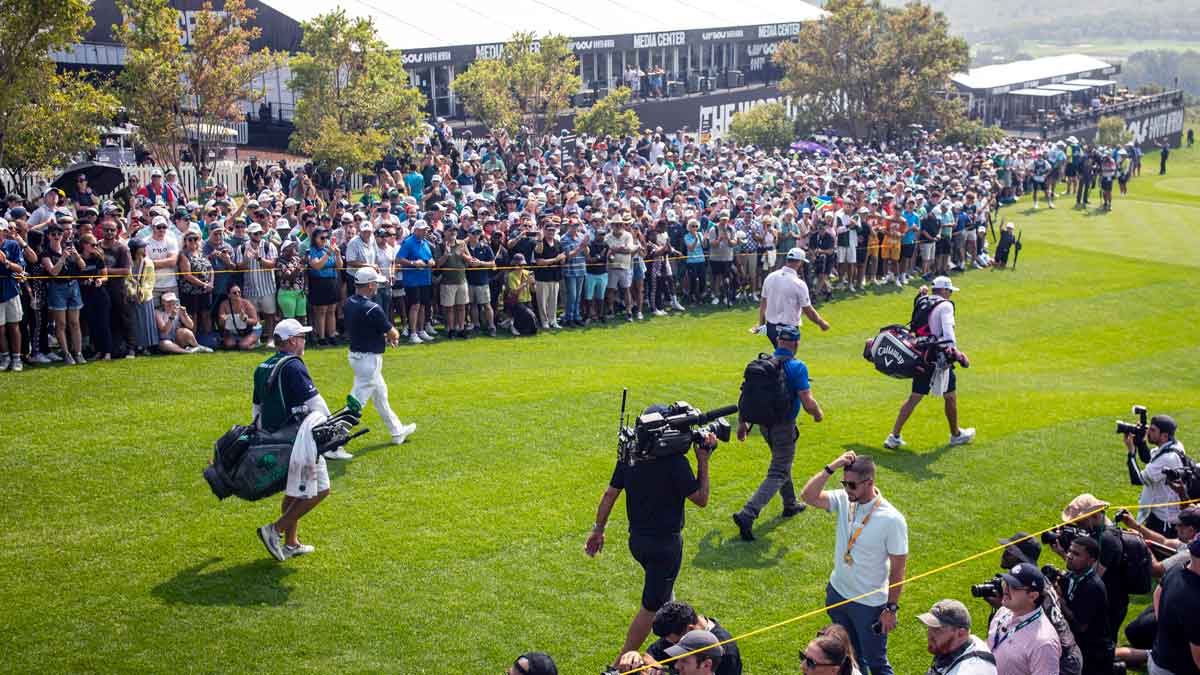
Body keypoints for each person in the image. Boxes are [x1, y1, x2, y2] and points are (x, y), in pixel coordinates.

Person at [585, 408, 717, 661]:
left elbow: (610, 494)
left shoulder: (631, 456)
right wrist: (703, 460)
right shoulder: (675, 462)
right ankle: (621, 663)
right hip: (665, 547)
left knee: (665, 596)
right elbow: (701, 498)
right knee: (651, 606)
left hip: (638, 542)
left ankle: (676, 642)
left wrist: (598, 530)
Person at [801, 452, 908, 675]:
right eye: (844, 483)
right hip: (838, 594)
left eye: (852, 485)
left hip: (869, 605)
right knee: (851, 658)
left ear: (869, 483)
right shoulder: (844, 500)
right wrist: (832, 466)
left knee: (876, 662)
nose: (847, 489)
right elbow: (808, 496)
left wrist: (891, 608)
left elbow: (899, 569)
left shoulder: (892, 520)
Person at [732, 324, 824, 541]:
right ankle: (748, 513)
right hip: (783, 426)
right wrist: (818, 414)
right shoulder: (797, 366)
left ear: (779, 342)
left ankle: (790, 504)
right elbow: (807, 401)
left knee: (782, 464)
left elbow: (747, 395)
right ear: (795, 343)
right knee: (778, 472)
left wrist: (742, 423)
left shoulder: (763, 364)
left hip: (764, 425)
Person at [254, 319, 330, 561]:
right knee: (319, 489)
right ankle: (274, 530)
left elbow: (256, 407)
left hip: (275, 439)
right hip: (300, 440)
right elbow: (315, 403)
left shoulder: (263, 365)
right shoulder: (293, 365)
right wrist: (331, 430)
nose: (304, 341)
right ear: (291, 341)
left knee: (294, 491)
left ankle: (291, 542)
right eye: (302, 337)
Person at [884, 277, 975, 449]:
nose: (950, 295)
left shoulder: (922, 300)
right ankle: (955, 435)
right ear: (944, 291)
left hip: (921, 355)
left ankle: (893, 436)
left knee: (915, 397)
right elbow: (948, 335)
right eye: (949, 291)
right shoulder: (946, 306)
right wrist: (957, 354)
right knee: (950, 396)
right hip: (938, 359)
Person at [990, 532, 1084, 675]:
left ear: (1022, 558)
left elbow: (1037, 627)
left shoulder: (1038, 592)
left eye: (1010, 552)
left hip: (1062, 658)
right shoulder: (1036, 583)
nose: (1004, 554)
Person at [344, 267, 416, 452]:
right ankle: (335, 441)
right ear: (370, 285)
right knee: (356, 402)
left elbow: (366, 328)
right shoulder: (372, 308)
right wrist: (394, 336)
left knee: (381, 397)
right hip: (368, 360)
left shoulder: (350, 302)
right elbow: (392, 331)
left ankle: (397, 431)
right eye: (375, 283)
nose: (377, 286)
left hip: (357, 356)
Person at [1054, 494, 1130, 646]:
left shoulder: (1108, 539)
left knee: (1101, 643)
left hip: (1110, 603)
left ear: (1094, 515)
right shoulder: (1098, 532)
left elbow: (1092, 574)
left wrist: (1063, 554)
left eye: (1080, 522)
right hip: (1098, 597)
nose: (1078, 526)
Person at [987, 563, 1062, 675]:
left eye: (1014, 587)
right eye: (1005, 582)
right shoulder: (1003, 612)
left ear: (1033, 596)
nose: (1005, 589)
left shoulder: (1044, 643)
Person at [1056, 536, 1113, 675]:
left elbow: (1080, 626)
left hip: (1092, 654)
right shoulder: (1071, 576)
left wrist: (1059, 601)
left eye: (1076, 554)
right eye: (1069, 551)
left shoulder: (1093, 587)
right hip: (1077, 646)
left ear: (1091, 561)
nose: (1069, 556)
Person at [753, 248, 830, 347]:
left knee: (780, 357)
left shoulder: (770, 277)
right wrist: (821, 323)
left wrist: (762, 324)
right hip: (788, 331)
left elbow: (763, 303)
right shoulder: (798, 283)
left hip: (771, 328)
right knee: (787, 359)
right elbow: (808, 311)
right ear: (799, 263)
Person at [641, 601, 742, 675]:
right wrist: (654, 666)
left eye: (684, 660)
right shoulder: (676, 632)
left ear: (690, 629)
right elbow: (649, 655)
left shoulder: (726, 652)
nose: (676, 665)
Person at [1125, 414, 1186, 536]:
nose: (1148, 433)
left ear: (1164, 436)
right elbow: (1149, 459)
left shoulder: (1168, 458)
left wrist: (1131, 453)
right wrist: (1141, 443)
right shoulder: (1174, 446)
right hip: (1160, 514)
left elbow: (1137, 479)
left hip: (1163, 522)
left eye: (1153, 430)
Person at [1149, 538, 1200, 675]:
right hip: (1175, 670)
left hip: (1160, 657)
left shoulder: (1176, 570)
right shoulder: (1195, 601)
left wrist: (1166, 628)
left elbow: (1157, 594)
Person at [40, 222, 86, 364]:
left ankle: (78, 353)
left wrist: (76, 255)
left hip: (73, 286)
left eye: (59, 234)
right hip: (57, 287)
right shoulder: (45, 253)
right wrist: (63, 258)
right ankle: (66, 354)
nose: (57, 237)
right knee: (61, 324)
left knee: (75, 322)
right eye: (53, 234)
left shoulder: (69, 248)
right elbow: (53, 272)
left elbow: (82, 266)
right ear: (48, 236)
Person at [919, 599, 996, 675]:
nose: (930, 634)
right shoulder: (961, 643)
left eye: (937, 630)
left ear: (961, 633)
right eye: (930, 627)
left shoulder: (970, 670)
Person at [397, 221, 434, 343]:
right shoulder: (408, 242)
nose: (425, 232)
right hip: (412, 280)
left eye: (425, 230)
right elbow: (399, 258)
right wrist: (413, 263)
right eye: (422, 230)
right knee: (415, 306)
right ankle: (413, 333)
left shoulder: (425, 242)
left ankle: (421, 330)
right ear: (416, 230)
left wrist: (431, 261)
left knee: (423, 305)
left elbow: (429, 257)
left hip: (425, 279)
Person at [215, 285, 260, 350]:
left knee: (243, 346)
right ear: (229, 295)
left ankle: (254, 342)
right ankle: (240, 341)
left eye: (239, 292)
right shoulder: (224, 304)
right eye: (234, 293)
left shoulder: (247, 303)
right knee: (229, 345)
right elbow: (221, 324)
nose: (238, 294)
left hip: (251, 330)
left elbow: (255, 321)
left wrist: (245, 319)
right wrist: (223, 319)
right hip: (234, 331)